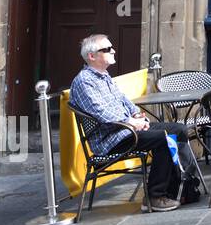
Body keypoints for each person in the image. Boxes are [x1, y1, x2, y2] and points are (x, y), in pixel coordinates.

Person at [69, 33, 195, 212]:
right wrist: (131, 123)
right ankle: (154, 197)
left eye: (111, 48)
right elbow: (101, 112)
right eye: (107, 49)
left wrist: (138, 117)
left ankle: (176, 190)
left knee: (179, 129)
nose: (113, 51)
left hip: (127, 130)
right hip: (111, 139)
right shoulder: (84, 81)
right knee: (164, 137)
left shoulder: (104, 76)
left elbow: (124, 101)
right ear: (92, 56)